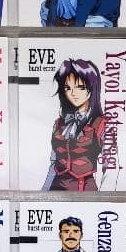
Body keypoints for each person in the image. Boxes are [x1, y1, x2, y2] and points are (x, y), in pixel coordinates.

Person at [41, 58, 108, 191]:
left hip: (84, 190)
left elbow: (110, 168)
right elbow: (53, 164)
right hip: (56, 189)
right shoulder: (58, 124)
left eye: (80, 87)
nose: (73, 93)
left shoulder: (101, 124)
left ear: (92, 87)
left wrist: (104, 198)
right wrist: (44, 193)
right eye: (68, 88)